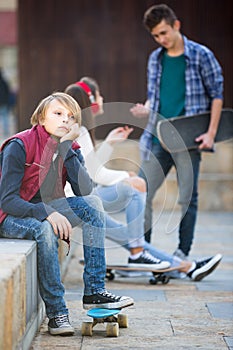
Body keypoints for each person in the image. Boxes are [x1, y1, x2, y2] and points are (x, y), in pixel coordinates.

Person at [0, 92, 134, 336]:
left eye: (71, 117)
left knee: (92, 204)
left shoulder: (70, 148)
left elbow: (85, 190)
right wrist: (46, 212)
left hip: (47, 210)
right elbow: (7, 201)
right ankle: (57, 313)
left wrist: (66, 148)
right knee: (44, 229)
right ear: (41, 118)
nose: (65, 120)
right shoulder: (19, 146)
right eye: (58, 114)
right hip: (9, 217)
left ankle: (94, 291)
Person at [64, 78, 222, 281]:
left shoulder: (80, 131)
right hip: (77, 202)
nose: (102, 99)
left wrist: (110, 142)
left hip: (81, 201)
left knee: (130, 237)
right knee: (135, 188)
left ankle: (186, 267)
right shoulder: (80, 131)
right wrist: (125, 176)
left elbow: (89, 167)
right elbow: (94, 173)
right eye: (99, 95)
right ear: (92, 99)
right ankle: (142, 256)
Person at [130, 4, 224, 260]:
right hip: (157, 138)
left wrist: (211, 134)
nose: (161, 39)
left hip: (189, 141)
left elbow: (217, 95)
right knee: (140, 190)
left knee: (187, 199)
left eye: (164, 33)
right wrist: (145, 109)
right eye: (156, 36)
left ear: (176, 25)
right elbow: (154, 98)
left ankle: (182, 252)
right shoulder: (155, 59)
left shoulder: (201, 55)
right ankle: (141, 252)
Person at [0, 68, 11, 137]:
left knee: (4, 117)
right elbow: (8, 92)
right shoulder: (4, 82)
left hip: (3, 102)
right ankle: (6, 132)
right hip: (4, 102)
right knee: (5, 117)